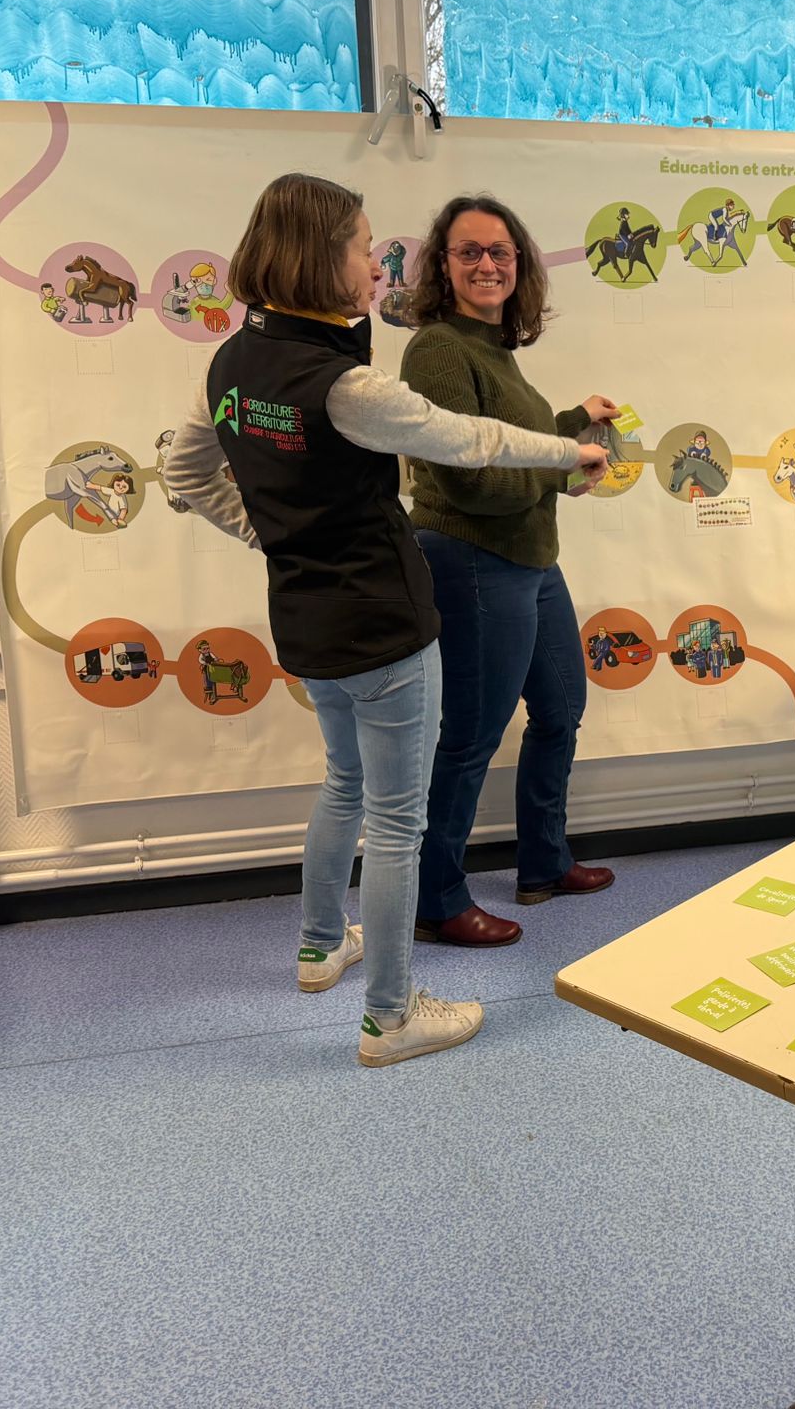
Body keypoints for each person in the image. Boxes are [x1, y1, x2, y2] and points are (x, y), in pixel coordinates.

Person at [162, 172, 607, 1066]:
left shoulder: (235, 360)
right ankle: (392, 1017)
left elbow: (181, 471)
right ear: (326, 256)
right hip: (382, 620)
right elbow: (471, 441)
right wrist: (574, 449)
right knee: (397, 824)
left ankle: (322, 946)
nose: (376, 261)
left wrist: (273, 537)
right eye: (366, 245)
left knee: (344, 787)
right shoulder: (342, 383)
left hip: (308, 617)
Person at [400, 194, 619, 948]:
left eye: (500, 252)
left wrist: (572, 423)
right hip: (471, 560)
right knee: (471, 735)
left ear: (519, 266)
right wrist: (567, 466)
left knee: (560, 711)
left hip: (529, 560)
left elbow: (511, 445)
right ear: (445, 265)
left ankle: (543, 864)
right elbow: (469, 481)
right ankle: (436, 898)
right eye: (470, 252)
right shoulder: (436, 350)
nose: (488, 264)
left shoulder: (495, 350)